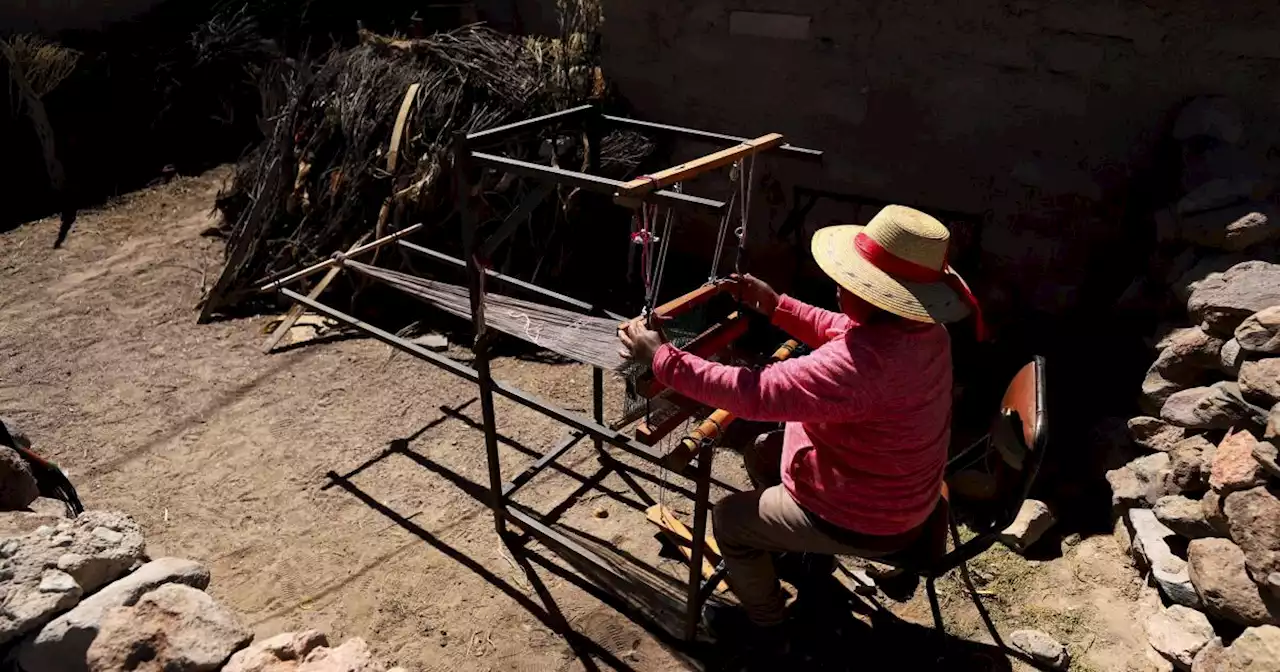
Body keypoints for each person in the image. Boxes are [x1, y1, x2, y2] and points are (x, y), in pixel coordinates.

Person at [618, 205, 985, 646]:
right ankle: (803, 555)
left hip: (868, 517)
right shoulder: (924, 333)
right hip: (900, 493)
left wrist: (662, 359)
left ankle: (769, 626)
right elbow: (840, 328)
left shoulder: (858, 366)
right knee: (762, 448)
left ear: (877, 296)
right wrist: (776, 306)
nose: (837, 287)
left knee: (729, 519)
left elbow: (752, 393)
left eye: (850, 281)